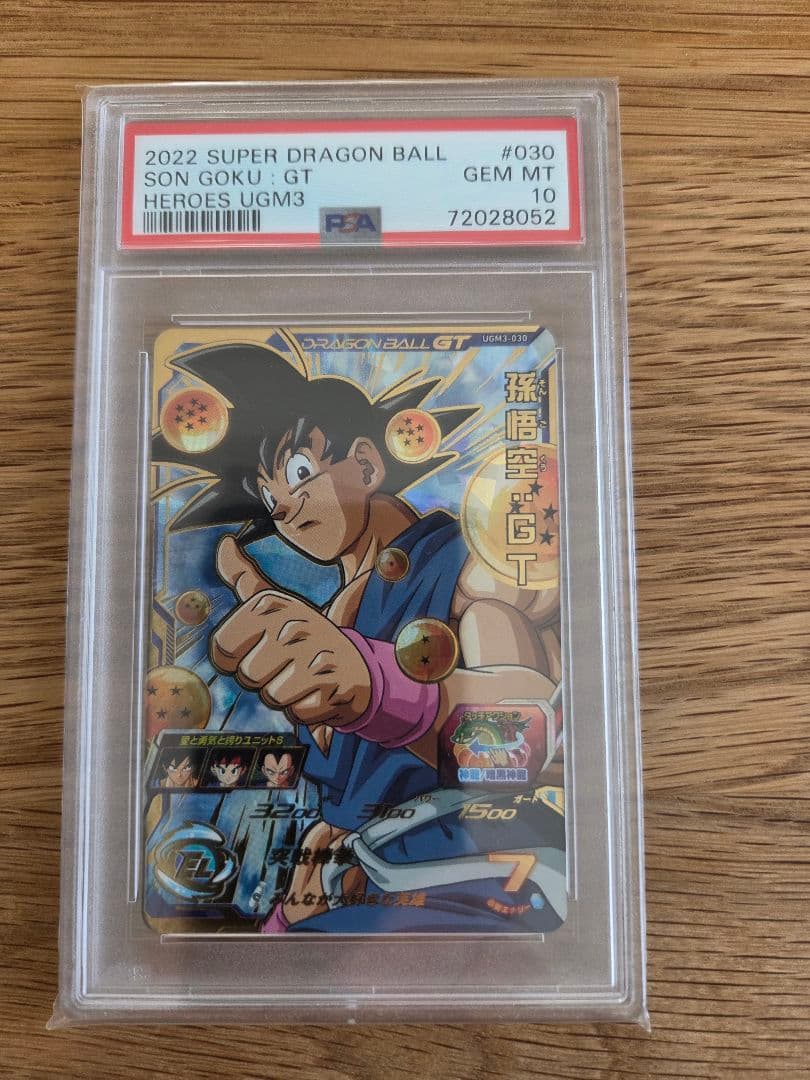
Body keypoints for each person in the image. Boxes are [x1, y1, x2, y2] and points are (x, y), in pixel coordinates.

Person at [153, 342, 563, 933]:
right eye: (271, 499)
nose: (285, 509)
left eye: (299, 474)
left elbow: (529, 736)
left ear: (366, 466)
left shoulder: (462, 569)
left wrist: (379, 688)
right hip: (339, 889)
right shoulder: (334, 612)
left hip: (463, 885)